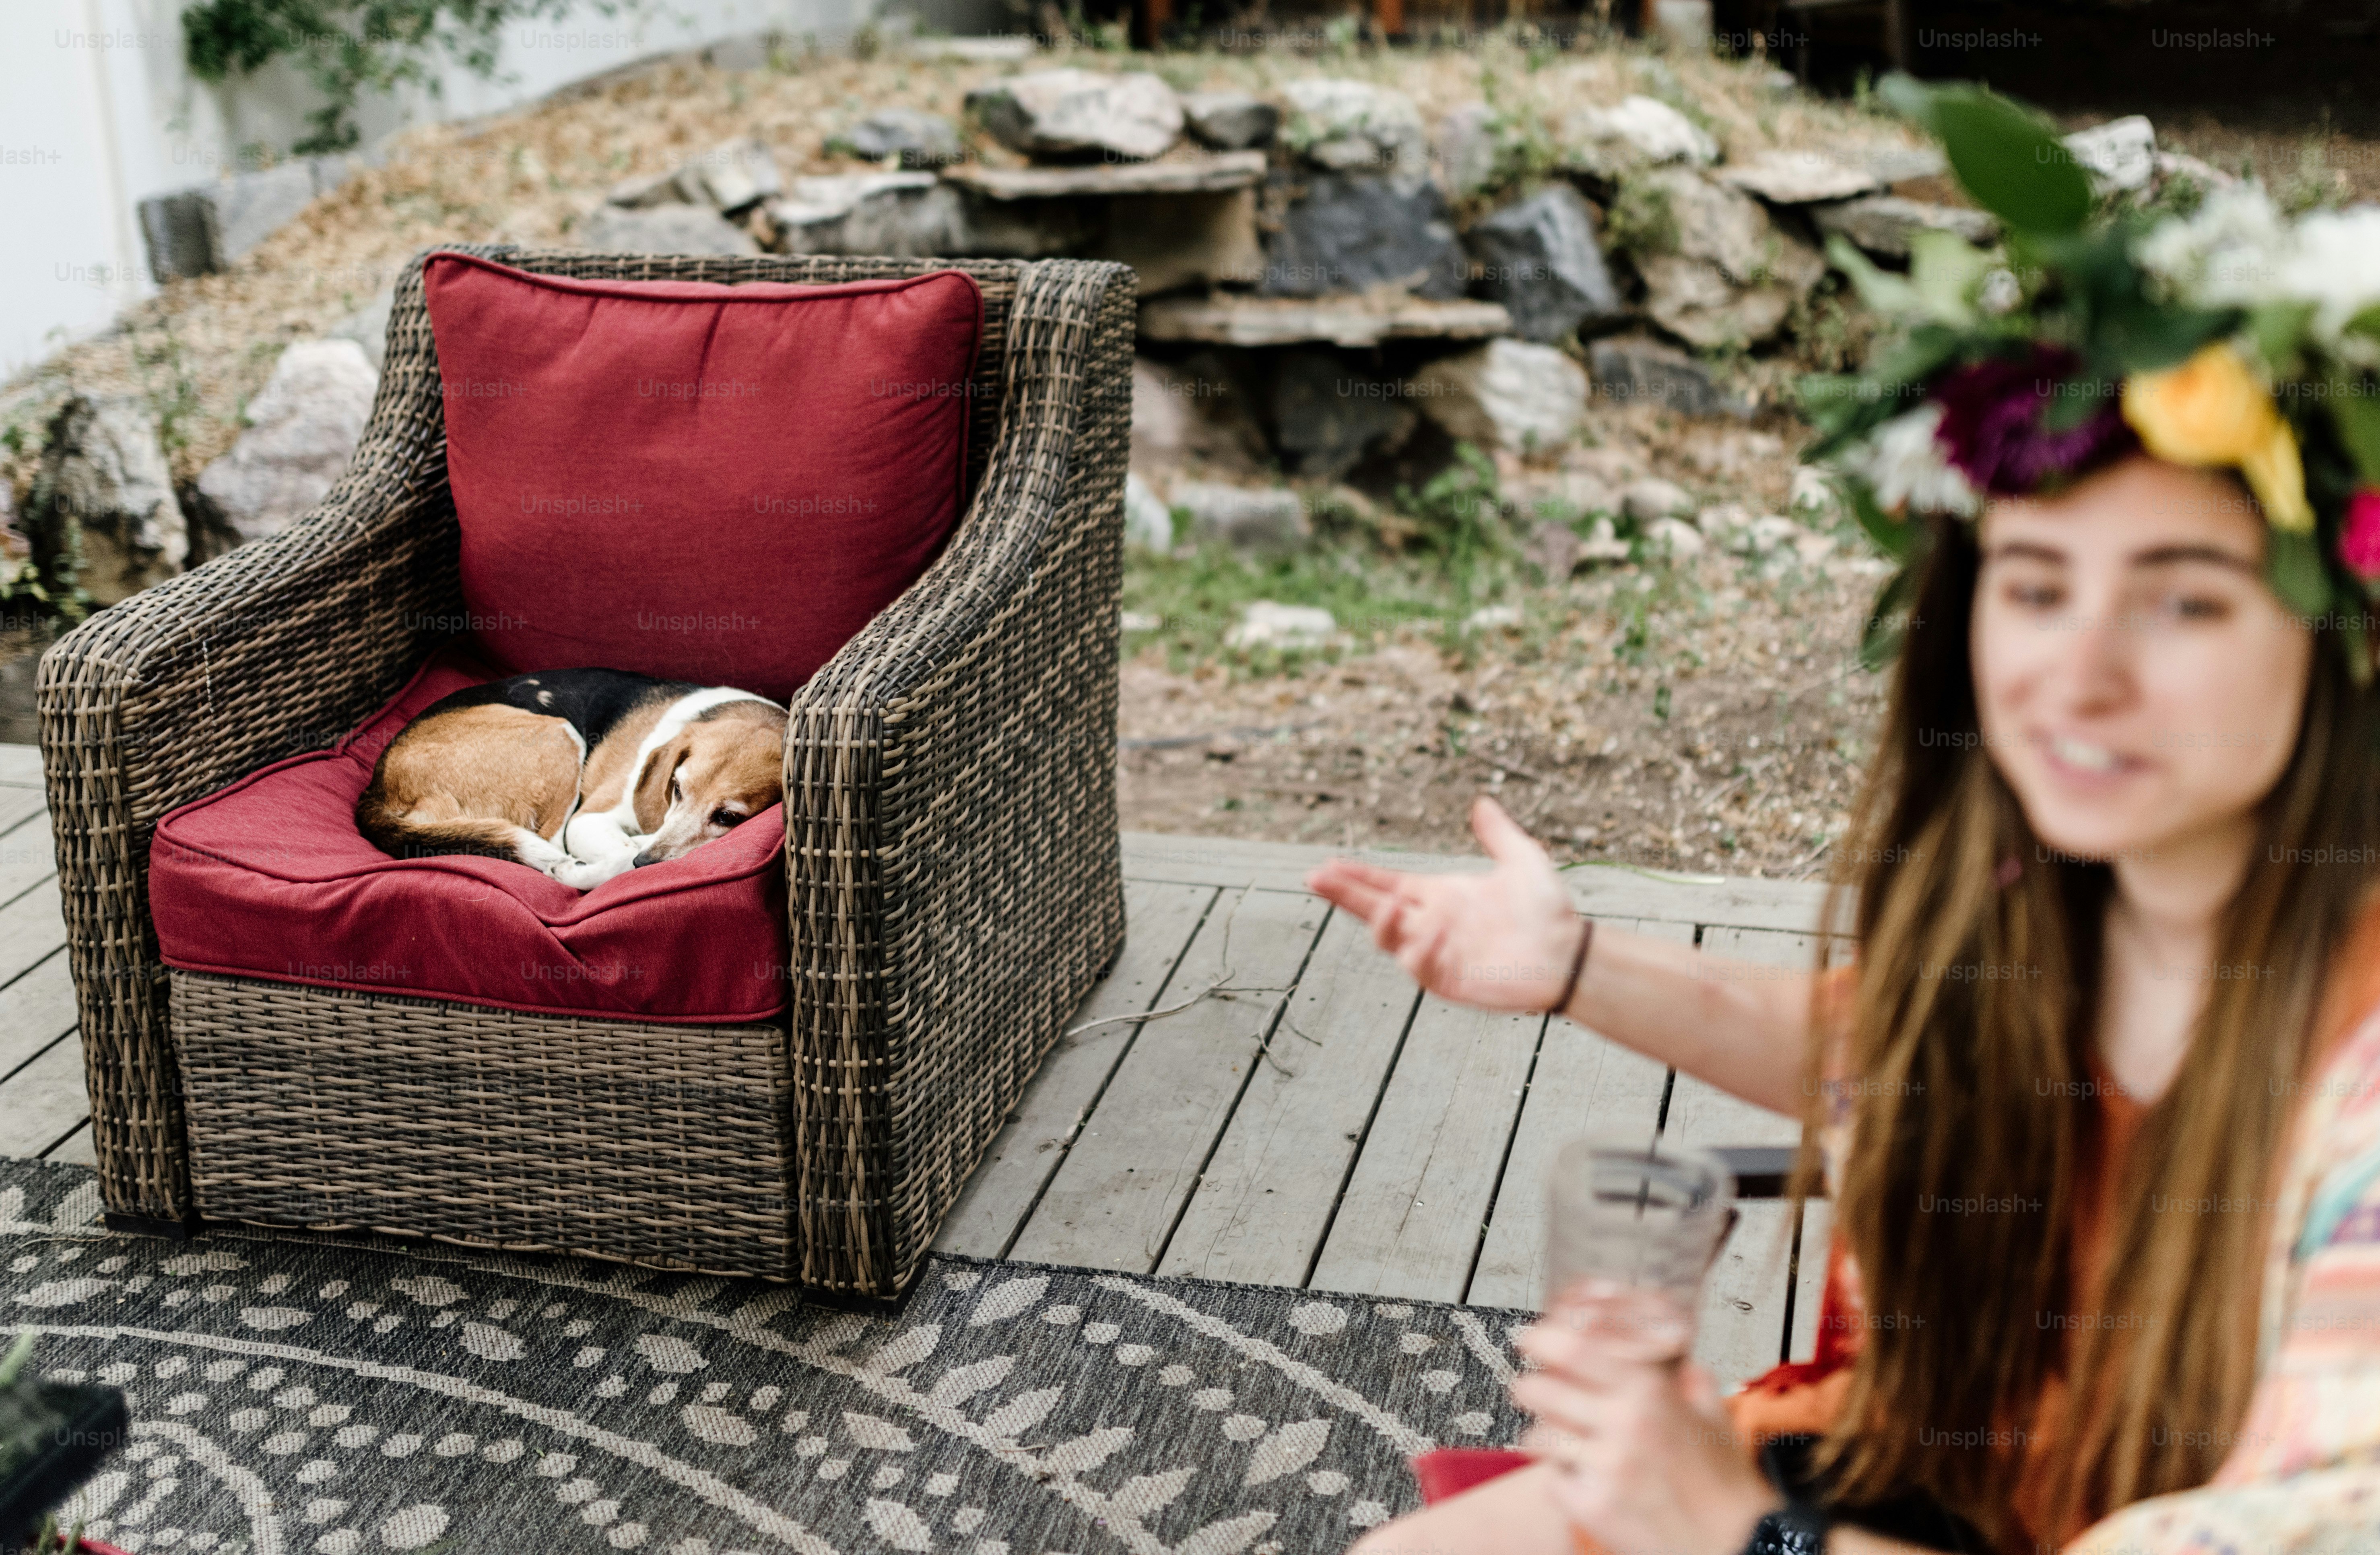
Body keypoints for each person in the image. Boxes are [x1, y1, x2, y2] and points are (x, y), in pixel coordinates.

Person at [1310, 81, 2380, 1555]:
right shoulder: (2062, 896)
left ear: (2340, 642)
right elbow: (1889, 1045)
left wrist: (1730, 1525)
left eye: (2183, 599)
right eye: (2035, 585)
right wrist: (1571, 964)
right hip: (1920, 1471)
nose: (2078, 673)